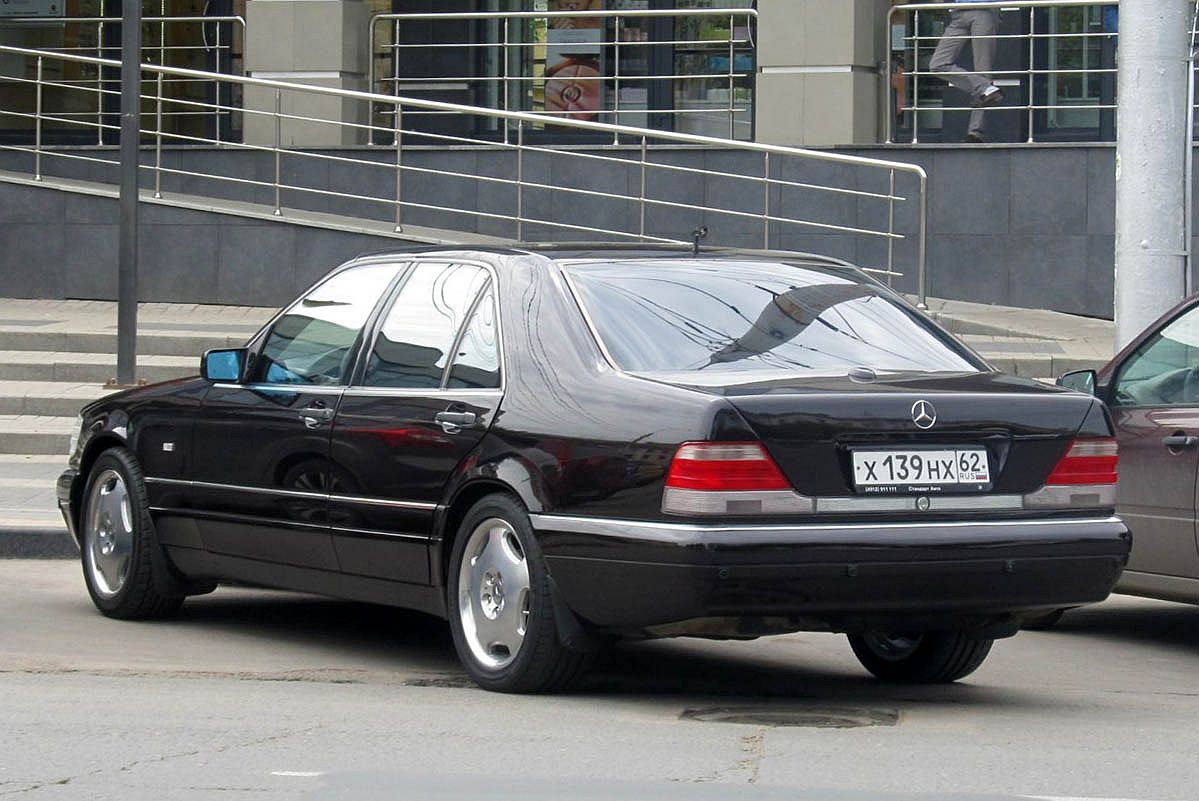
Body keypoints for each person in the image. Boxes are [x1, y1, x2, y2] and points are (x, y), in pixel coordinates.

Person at [929, 0, 1005, 143]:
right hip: (958, 12)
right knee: (937, 64)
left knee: (983, 71)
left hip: (984, 9)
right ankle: (986, 87)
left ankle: (975, 132)